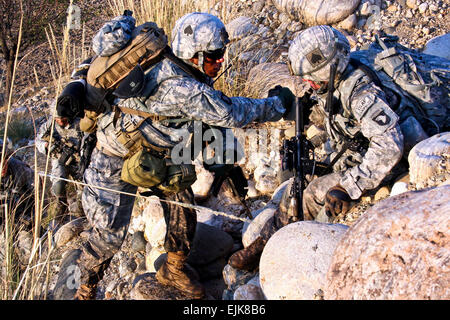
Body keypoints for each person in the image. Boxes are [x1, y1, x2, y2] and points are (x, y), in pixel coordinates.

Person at [52, 12, 295, 300]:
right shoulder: (183, 88)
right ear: (193, 55)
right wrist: (278, 104)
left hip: (155, 152)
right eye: (214, 55)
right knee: (108, 238)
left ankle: (174, 268)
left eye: (221, 54)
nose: (220, 61)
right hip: (114, 157)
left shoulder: (179, 67)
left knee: (182, 204)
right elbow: (232, 112)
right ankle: (83, 289)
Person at [228, 25, 406, 271]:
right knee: (295, 186)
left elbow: (389, 147)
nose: (307, 82)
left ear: (328, 68)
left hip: (385, 163)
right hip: (355, 152)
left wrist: (349, 186)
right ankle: (266, 243)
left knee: (311, 194)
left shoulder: (362, 93)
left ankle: (292, 252)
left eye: (310, 77)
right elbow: (331, 116)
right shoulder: (337, 79)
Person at [35, 105, 84, 219]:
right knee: (58, 185)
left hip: (77, 160)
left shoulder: (79, 124)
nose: (60, 122)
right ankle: (61, 210)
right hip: (58, 159)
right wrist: (46, 146)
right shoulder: (50, 125)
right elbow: (38, 140)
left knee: (84, 188)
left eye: (63, 119)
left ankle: (81, 211)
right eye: (58, 119)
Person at [0, 138, 35, 228]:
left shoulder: (19, 168)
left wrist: (33, 216)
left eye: (3, 160)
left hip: (21, 212)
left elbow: (37, 191)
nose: (2, 166)